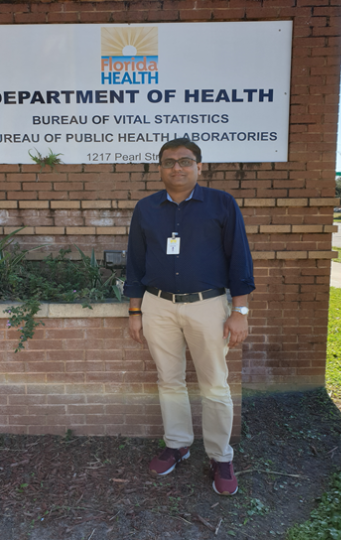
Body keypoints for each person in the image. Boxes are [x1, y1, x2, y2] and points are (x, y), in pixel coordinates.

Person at [124, 138, 255, 495]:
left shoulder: (221, 204)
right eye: (169, 162)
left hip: (208, 305)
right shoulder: (146, 208)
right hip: (158, 305)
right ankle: (178, 444)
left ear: (199, 166)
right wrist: (135, 310)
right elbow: (135, 262)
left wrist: (240, 311)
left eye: (185, 161)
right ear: (160, 168)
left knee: (214, 384)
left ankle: (220, 456)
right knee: (169, 380)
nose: (177, 167)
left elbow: (239, 258)